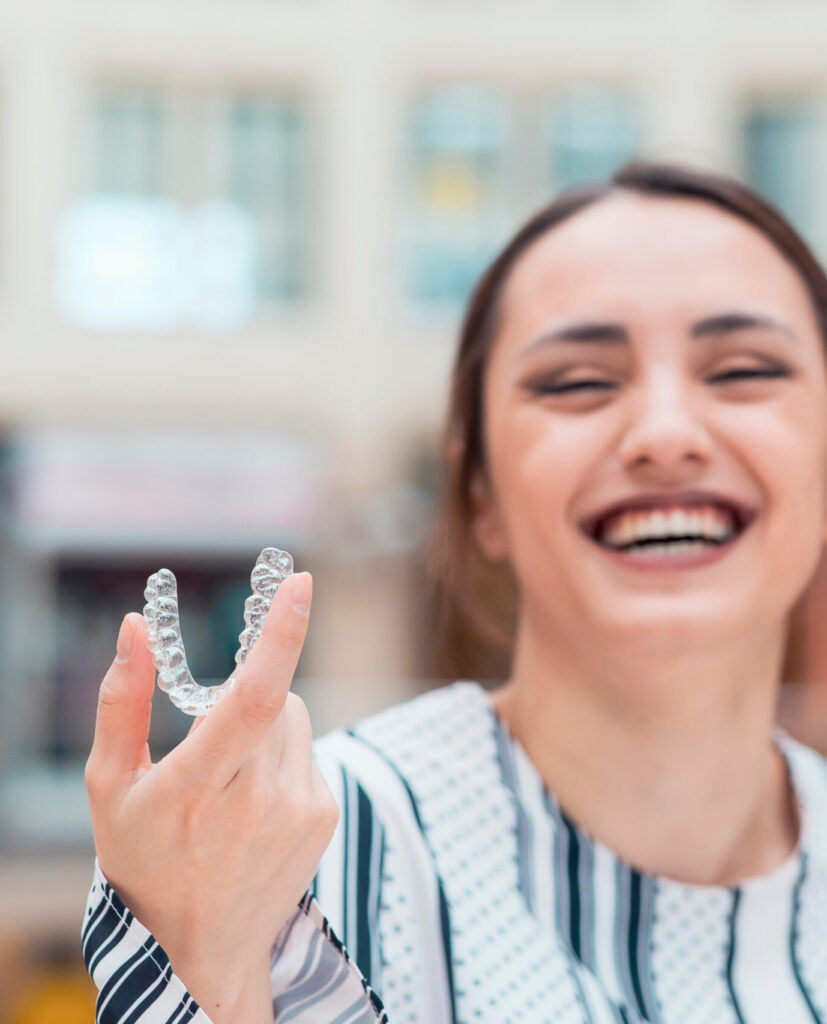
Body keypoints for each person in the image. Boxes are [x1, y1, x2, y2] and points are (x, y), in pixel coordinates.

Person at [81, 160, 827, 1023]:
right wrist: (202, 964)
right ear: (480, 495)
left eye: (742, 371)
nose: (664, 435)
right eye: (578, 381)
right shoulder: (291, 857)